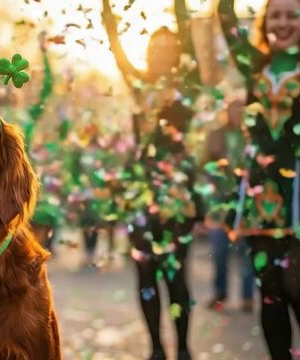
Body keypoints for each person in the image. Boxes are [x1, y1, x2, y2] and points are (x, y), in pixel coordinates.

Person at [103, 0, 202, 359]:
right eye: (154, 47)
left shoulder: (187, 83)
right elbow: (115, 46)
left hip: (177, 192)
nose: (161, 52)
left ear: (178, 52)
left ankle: (184, 348)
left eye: (169, 47)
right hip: (140, 193)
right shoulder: (139, 84)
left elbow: (186, 28)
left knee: (176, 276)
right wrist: (107, 11)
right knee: (145, 275)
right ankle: (157, 349)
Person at [218, 0, 300, 358]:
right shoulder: (256, 67)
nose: (283, 23)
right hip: (260, 204)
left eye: (293, 15)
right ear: (264, 21)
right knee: (271, 297)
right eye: (276, 15)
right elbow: (225, 18)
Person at [203, 99, 254, 313]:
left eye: (240, 111)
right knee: (219, 251)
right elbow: (205, 165)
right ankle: (220, 294)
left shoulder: (251, 136)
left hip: (245, 201)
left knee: (246, 253)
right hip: (221, 202)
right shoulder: (216, 134)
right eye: (233, 110)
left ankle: (247, 298)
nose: (237, 114)